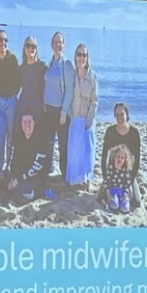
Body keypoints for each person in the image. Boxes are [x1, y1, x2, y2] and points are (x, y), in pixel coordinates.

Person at [0, 30, 21, 177]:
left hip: (11, 101)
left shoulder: (12, 59)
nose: (3, 43)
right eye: (0, 40)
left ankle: (10, 167)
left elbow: (19, 81)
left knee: (12, 137)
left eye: (5, 40)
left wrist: (14, 96)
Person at [42, 30, 75, 184]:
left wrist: (63, 112)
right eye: (55, 42)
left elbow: (69, 90)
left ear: (64, 45)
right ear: (51, 45)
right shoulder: (49, 64)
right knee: (48, 143)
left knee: (63, 145)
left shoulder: (67, 65)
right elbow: (45, 86)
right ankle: (48, 171)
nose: (58, 45)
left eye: (60, 42)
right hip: (48, 110)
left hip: (61, 112)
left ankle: (64, 175)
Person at [65, 44, 98, 188]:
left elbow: (95, 100)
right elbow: (67, 94)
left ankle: (87, 180)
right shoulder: (71, 74)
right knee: (74, 151)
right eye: (79, 54)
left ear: (87, 58)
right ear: (75, 56)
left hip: (87, 119)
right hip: (74, 118)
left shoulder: (92, 76)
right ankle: (74, 180)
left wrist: (89, 120)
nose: (81, 58)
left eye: (84, 55)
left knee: (87, 152)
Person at [100, 101, 142, 212]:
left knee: (136, 202)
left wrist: (130, 179)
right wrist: (105, 177)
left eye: (122, 114)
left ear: (127, 115)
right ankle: (111, 193)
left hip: (127, 172)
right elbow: (104, 156)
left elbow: (137, 160)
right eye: (117, 114)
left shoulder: (134, 133)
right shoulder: (110, 131)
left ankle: (123, 194)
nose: (119, 117)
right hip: (112, 172)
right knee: (100, 197)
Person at [7, 113, 49, 203]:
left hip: (37, 175)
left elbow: (37, 167)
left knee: (22, 190)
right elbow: (14, 161)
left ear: (34, 122)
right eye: (24, 122)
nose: (27, 125)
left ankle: (41, 192)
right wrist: (13, 177)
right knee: (6, 184)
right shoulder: (19, 139)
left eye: (30, 122)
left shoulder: (41, 140)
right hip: (22, 175)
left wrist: (18, 180)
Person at [17, 36, 46, 124]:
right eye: (28, 46)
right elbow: (14, 89)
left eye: (34, 46)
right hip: (24, 108)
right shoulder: (21, 69)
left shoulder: (42, 67)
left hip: (39, 109)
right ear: (24, 48)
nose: (31, 49)